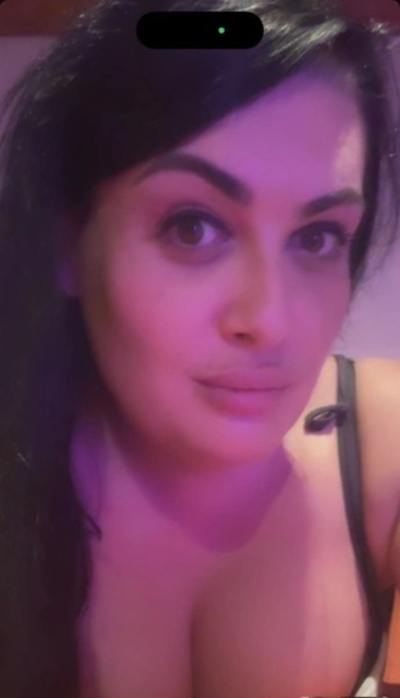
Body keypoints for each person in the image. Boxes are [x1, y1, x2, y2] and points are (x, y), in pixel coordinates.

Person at [0, 0, 399, 696]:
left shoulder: (384, 445)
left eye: (318, 237)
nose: (270, 321)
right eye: (193, 227)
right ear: (68, 242)